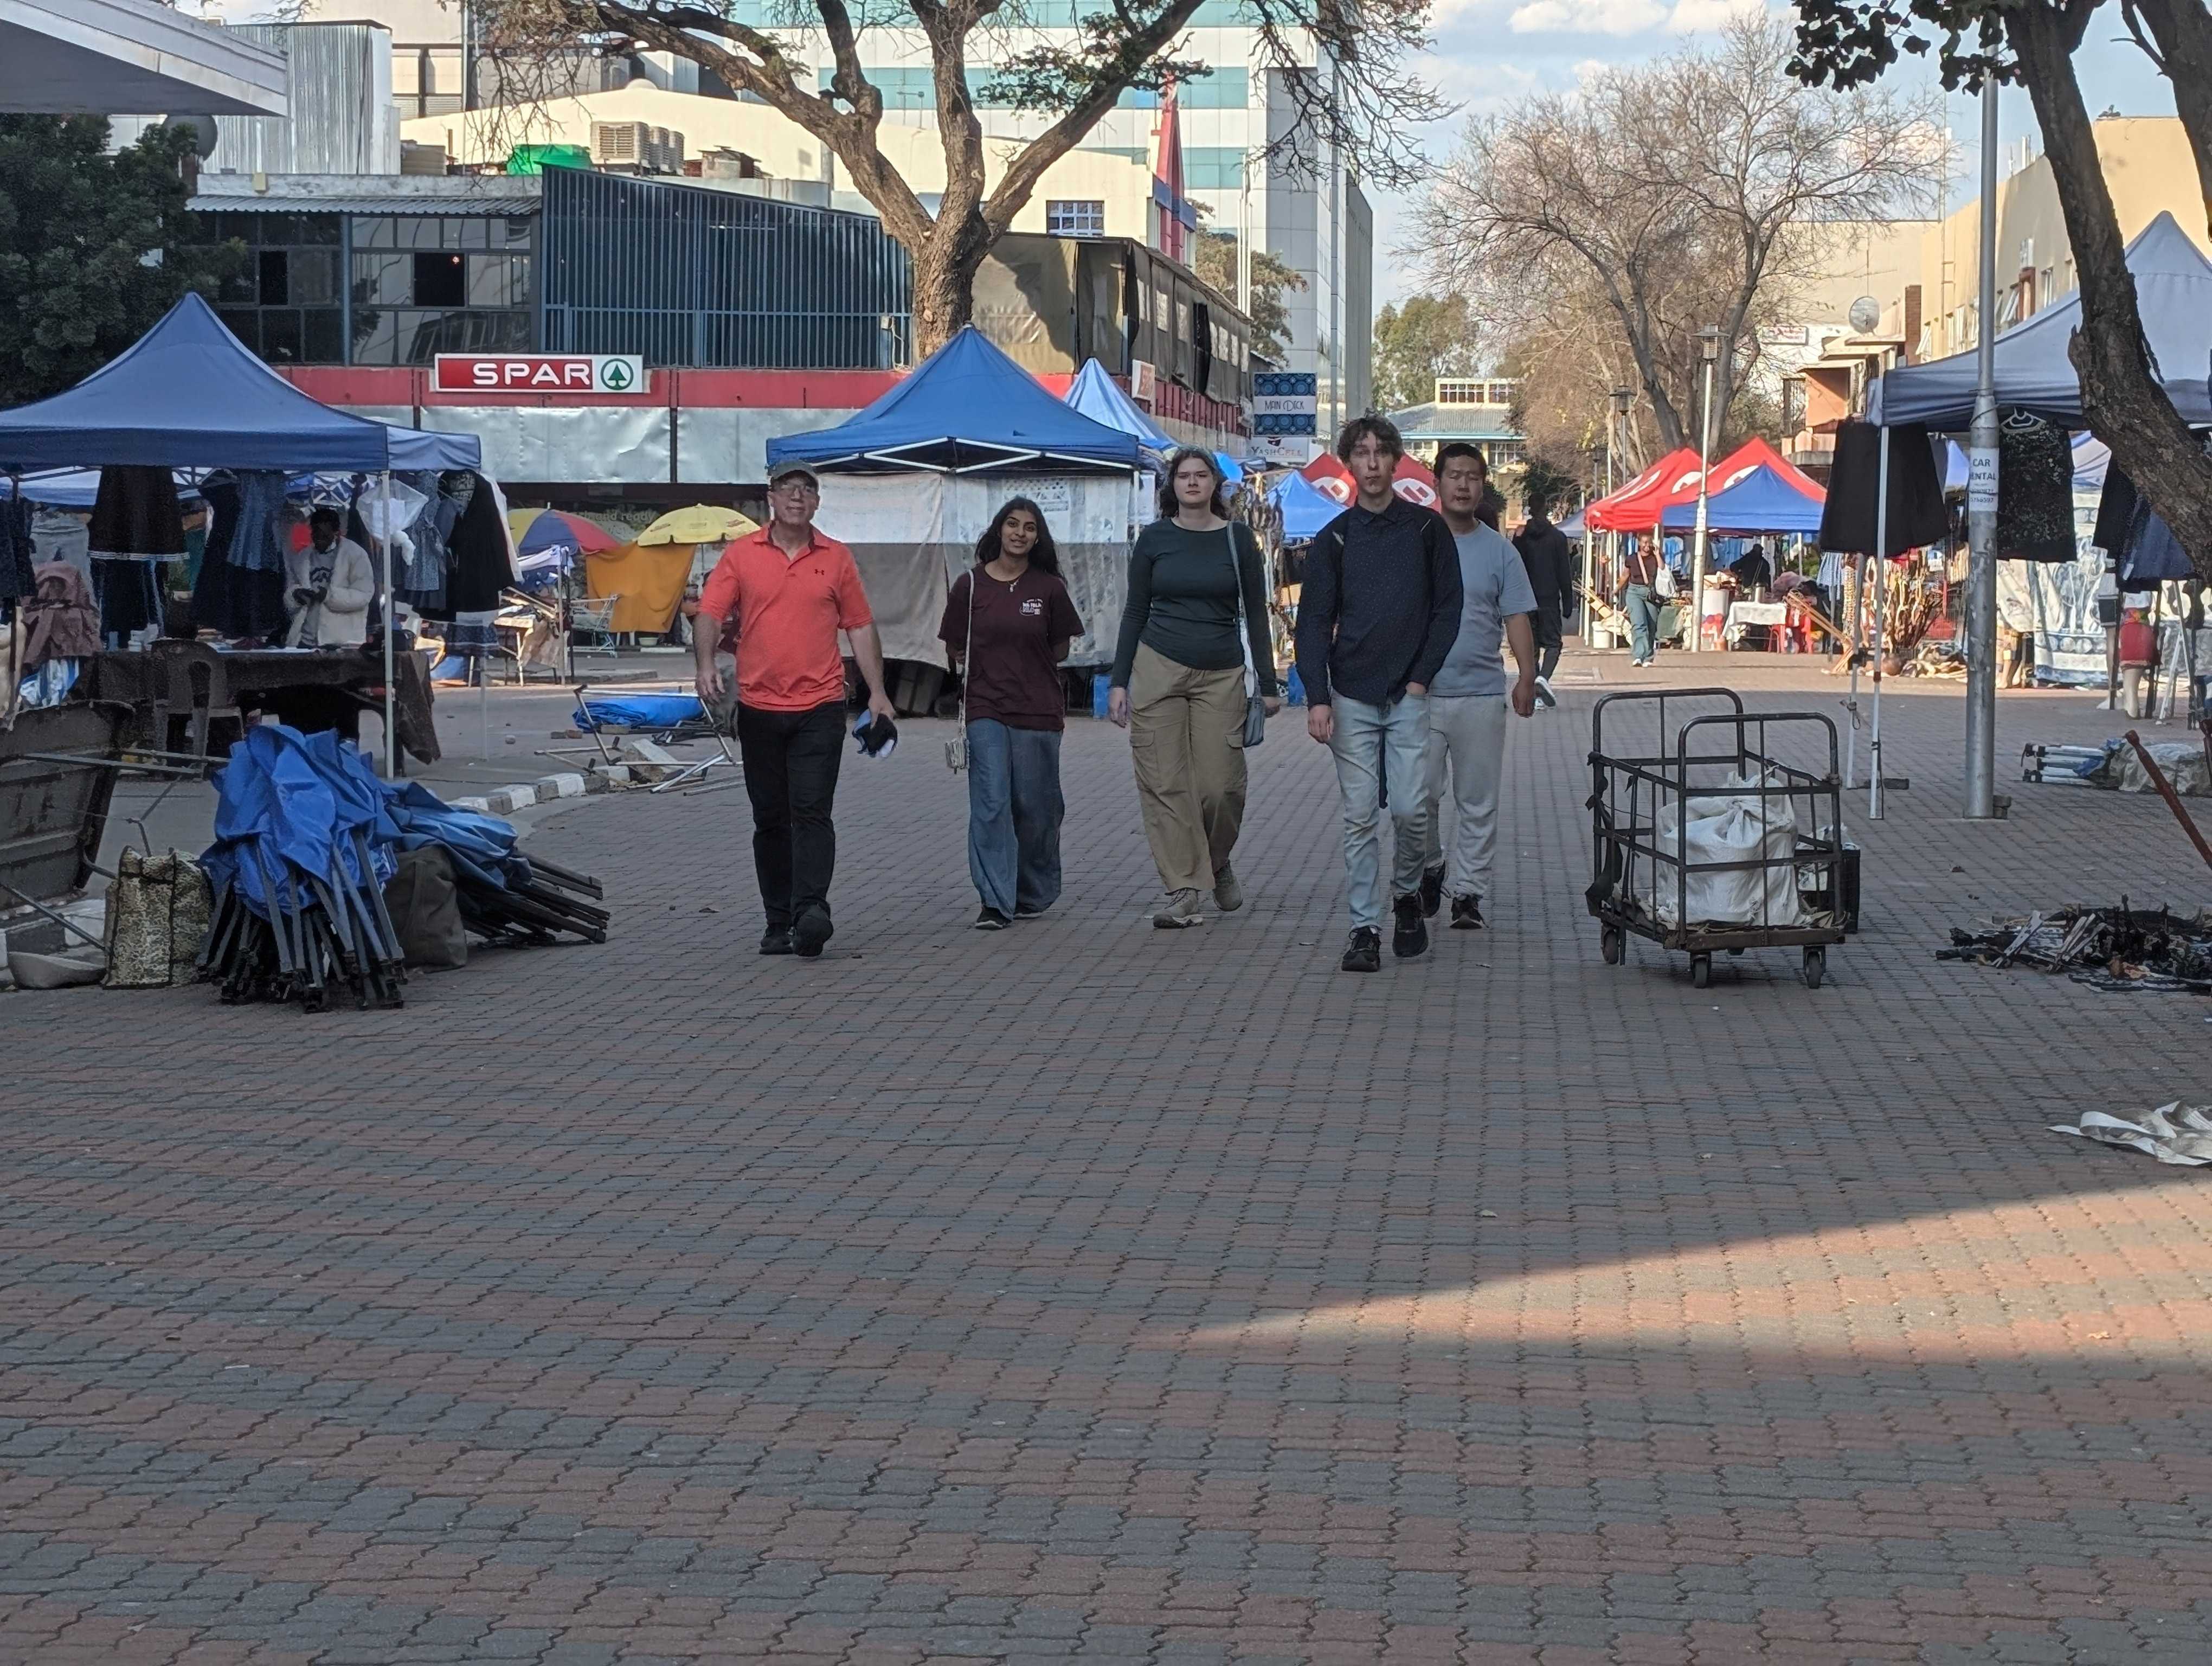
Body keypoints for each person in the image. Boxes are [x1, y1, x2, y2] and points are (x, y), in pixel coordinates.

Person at [694, 463, 896, 959]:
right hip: (759, 708)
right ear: (772, 499)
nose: (798, 498)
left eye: (808, 490)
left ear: (817, 503)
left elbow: (861, 626)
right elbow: (710, 613)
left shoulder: (837, 558)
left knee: (811, 810)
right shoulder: (741, 556)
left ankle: (811, 912)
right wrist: (705, 665)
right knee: (770, 818)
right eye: (789, 489)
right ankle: (777, 920)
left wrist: (878, 692)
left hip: (821, 706)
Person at [1295, 415, 1463, 974]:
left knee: (1415, 810)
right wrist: (1317, 696)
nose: (1371, 463)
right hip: (1352, 694)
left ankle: (1408, 891)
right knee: (1360, 816)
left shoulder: (1424, 530)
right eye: (1361, 453)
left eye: (1380, 453)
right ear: (1350, 464)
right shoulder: (1334, 539)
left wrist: (1421, 676)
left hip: (1410, 694)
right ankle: (1365, 926)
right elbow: (1314, 621)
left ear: (1396, 462)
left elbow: (1447, 608)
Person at [1108, 448, 1281, 927]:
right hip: (1157, 666)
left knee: (1220, 787)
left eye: (1200, 475)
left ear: (1214, 484)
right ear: (1172, 486)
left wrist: (1267, 684)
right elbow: (1135, 611)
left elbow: (1257, 611)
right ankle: (1184, 887)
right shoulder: (1154, 539)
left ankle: (1217, 861)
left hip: (1220, 672)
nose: (1191, 483)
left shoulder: (1238, 539)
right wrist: (1119, 681)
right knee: (1165, 783)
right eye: (1183, 476)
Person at [940, 498, 1085, 930]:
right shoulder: (969, 586)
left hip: (1038, 709)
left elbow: (1060, 648)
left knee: (1036, 806)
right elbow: (954, 645)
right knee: (991, 801)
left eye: (1029, 528)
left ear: (1038, 538)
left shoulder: (1049, 589)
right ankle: (994, 900)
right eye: (1012, 525)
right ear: (998, 531)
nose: (1019, 533)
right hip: (985, 706)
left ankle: (1031, 890)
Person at [1419, 445, 1540, 930]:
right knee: (1418, 796)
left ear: (1482, 486)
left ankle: (1468, 892)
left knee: (1477, 801)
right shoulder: (1415, 542)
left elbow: (1517, 616)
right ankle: (1430, 865)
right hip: (1418, 695)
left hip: (1481, 694)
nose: (1464, 485)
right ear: (1438, 483)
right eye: (1454, 476)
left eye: (1472, 477)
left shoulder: (1500, 551)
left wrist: (1526, 677)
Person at [1512, 496, 1576, 709]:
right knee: (1553, 644)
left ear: (1529, 509)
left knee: (1531, 647)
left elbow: (1514, 567)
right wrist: (1568, 601)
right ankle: (1543, 679)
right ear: (1546, 509)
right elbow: (1564, 571)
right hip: (1549, 598)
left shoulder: (1521, 538)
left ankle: (1537, 692)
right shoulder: (1557, 538)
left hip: (1525, 599)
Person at [284, 507, 374, 648]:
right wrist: (297, 595)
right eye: (316, 535)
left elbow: (364, 595)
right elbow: (290, 590)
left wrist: (329, 596)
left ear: (336, 533)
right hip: (305, 638)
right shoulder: (303, 557)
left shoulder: (356, 554)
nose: (319, 540)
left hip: (340, 640)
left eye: (324, 536)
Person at [1619, 540, 1664, 667]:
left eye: (1649, 543)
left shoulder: (1657, 557)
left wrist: (1657, 555)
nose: (1647, 546)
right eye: (1644, 543)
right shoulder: (1631, 558)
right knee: (1639, 624)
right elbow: (1625, 575)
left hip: (1652, 593)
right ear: (1639, 543)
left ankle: (1649, 656)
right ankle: (1639, 656)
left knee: (1651, 625)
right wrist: (1617, 589)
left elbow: (1663, 569)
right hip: (1634, 592)